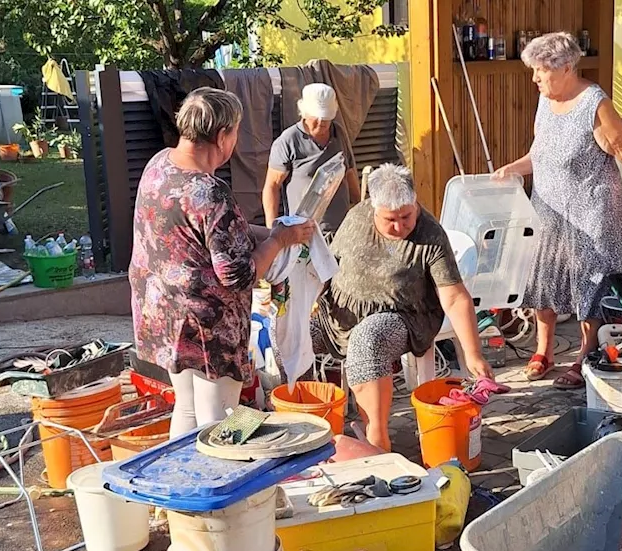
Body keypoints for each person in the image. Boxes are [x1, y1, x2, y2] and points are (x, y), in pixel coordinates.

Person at [130, 88, 313, 438]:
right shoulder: (210, 191)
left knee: (185, 406)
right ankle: (220, 487)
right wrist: (278, 240)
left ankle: (184, 484)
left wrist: (270, 232)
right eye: (236, 132)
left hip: (162, 313)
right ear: (221, 136)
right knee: (221, 419)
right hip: (204, 325)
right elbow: (239, 275)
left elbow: (205, 233)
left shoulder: (159, 165)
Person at [495, 32, 622, 389]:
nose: (534, 78)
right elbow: (541, 154)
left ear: (566, 68)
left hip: (591, 210)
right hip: (548, 208)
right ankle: (544, 351)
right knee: (544, 280)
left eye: (540, 70)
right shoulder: (545, 101)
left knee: (590, 285)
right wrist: (510, 170)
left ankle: (585, 355)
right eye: (533, 70)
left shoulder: (594, 104)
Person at [315, 164, 493, 452]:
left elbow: (454, 297)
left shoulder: (430, 235)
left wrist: (473, 353)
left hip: (403, 316)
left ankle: (377, 439)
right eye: (390, 219)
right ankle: (305, 429)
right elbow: (328, 265)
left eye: (406, 216)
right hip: (339, 313)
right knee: (290, 332)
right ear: (374, 209)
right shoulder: (356, 217)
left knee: (368, 339)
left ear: (415, 201)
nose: (399, 226)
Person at [263, 83, 362, 233]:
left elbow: (349, 172)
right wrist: (271, 230)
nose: (322, 122)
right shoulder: (288, 141)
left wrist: (361, 208)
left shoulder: (339, 133)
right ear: (304, 112)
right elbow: (272, 186)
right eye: (316, 116)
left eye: (326, 117)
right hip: (304, 231)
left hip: (342, 228)